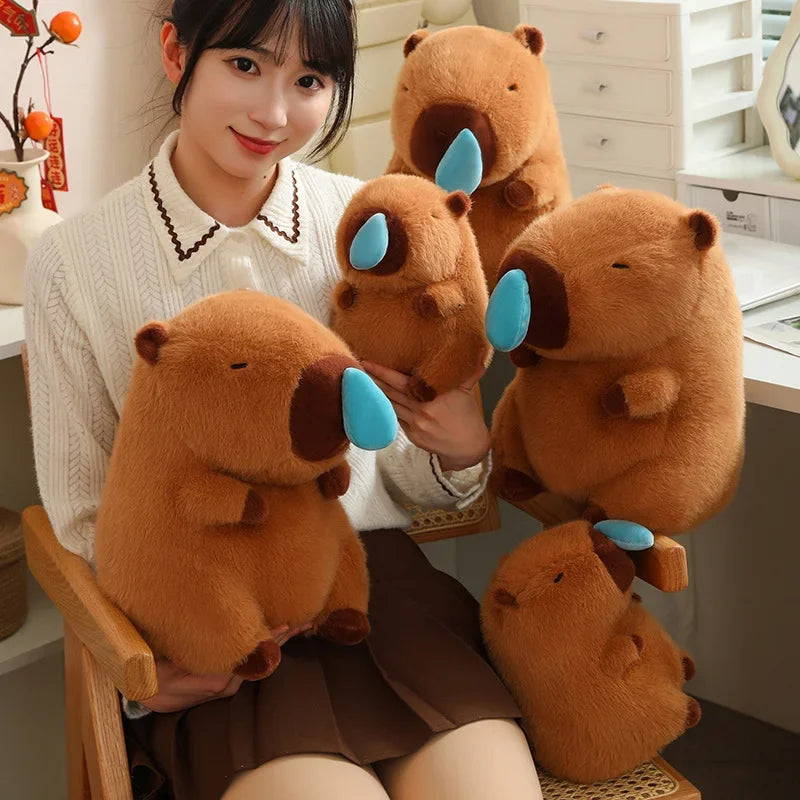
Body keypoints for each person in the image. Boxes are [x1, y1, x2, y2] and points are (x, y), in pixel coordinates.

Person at [24, 2, 544, 798]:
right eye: (244, 65)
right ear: (176, 53)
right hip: (218, 636)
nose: (274, 112)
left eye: (309, 79)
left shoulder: (366, 218)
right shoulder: (73, 262)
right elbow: (84, 512)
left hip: (379, 597)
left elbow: (396, 474)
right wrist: (141, 658)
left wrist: (463, 451)